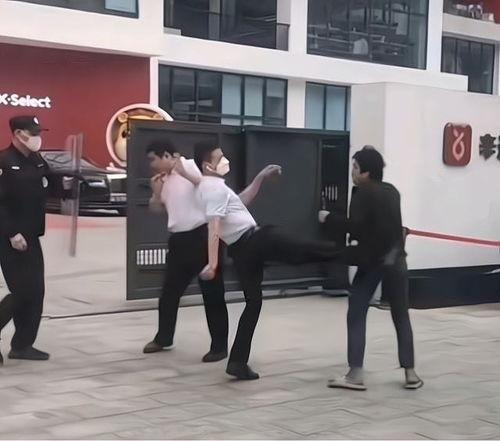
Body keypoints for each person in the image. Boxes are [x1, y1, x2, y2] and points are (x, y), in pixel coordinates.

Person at [195, 142, 340, 380]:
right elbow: (213, 227)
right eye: (219, 158)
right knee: (300, 248)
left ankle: (237, 362)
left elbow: (239, 202)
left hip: (242, 251)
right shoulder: (213, 189)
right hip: (255, 240)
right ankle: (347, 253)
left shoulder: (212, 188)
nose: (225, 161)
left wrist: (260, 177)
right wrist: (212, 264)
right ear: (207, 166)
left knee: (253, 303)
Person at [318, 146, 423, 390]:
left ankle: (355, 374)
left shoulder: (363, 193)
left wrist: (328, 218)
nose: (353, 172)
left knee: (356, 312)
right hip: (396, 260)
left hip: (371, 262)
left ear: (366, 172)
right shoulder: (392, 192)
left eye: (355, 167)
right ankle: (410, 373)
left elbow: (355, 228)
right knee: (400, 314)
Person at [143, 143, 228, 362]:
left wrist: (182, 171)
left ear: (167, 155)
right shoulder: (162, 180)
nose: (151, 164)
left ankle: (219, 347)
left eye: (153, 159)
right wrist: (156, 194)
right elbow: (157, 209)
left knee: (213, 294)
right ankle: (164, 338)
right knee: (169, 293)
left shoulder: (189, 165)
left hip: (202, 237)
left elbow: (205, 184)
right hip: (178, 240)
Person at [0, 115, 56, 364]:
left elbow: (49, 184)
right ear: (18, 134)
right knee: (22, 291)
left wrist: (70, 184)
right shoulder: (4, 161)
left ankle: (23, 345)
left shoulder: (36, 159)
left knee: (36, 292)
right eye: (32, 133)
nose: (37, 137)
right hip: (10, 238)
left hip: (32, 236)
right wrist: (11, 232)